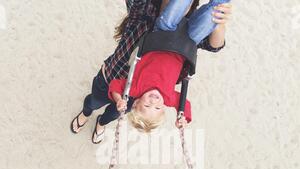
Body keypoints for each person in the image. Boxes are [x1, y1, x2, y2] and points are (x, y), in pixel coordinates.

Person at [70, 0, 232, 143]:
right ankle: (86, 113)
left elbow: (214, 45)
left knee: (112, 115)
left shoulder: (134, 92)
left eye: (148, 105)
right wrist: (183, 117)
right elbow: (184, 104)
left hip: (122, 98)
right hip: (106, 78)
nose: (154, 102)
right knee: (93, 102)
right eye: (157, 108)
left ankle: (101, 123)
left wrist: (119, 99)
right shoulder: (143, 11)